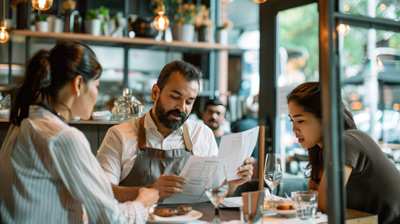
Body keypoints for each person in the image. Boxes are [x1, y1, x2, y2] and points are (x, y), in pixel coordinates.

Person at [0, 41, 159, 224]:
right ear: (78, 84)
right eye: (96, 85)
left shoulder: (23, 122)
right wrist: (142, 202)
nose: (96, 94)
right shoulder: (63, 137)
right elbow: (110, 219)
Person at [97, 60, 254, 201]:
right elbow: (102, 191)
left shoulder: (202, 134)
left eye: (189, 101)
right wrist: (150, 191)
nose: (181, 107)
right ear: (155, 93)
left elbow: (216, 193)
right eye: (175, 97)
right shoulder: (119, 135)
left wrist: (233, 182)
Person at [287, 82, 400, 224]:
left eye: (300, 120)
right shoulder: (322, 149)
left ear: (326, 117)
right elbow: (312, 197)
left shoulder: (344, 141)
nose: (294, 129)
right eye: (291, 120)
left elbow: (324, 205)